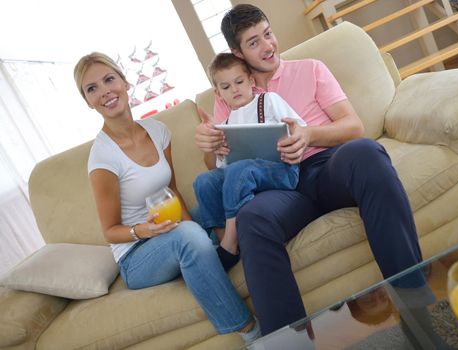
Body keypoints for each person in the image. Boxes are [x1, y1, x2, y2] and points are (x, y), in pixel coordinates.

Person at [194, 4, 424, 336]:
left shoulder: (311, 69)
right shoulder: (233, 90)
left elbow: (353, 126)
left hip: (325, 166)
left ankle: (417, 306)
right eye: (254, 42)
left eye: (268, 34)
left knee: (367, 152)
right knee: (251, 218)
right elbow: (219, 165)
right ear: (237, 52)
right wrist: (210, 145)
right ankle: (290, 344)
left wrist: (308, 134)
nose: (268, 45)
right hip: (277, 188)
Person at [74, 52, 260, 343]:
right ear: (87, 102)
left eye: (109, 79)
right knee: (188, 236)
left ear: (124, 82)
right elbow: (110, 231)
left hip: (169, 226)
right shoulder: (102, 159)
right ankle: (250, 332)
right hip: (136, 255)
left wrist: (194, 228)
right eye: (92, 88)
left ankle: (222, 260)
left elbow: (172, 191)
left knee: (221, 209)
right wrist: (147, 230)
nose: (104, 91)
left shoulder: (158, 131)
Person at [193, 53, 306, 270]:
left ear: (251, 81)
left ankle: (229, 244)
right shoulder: (225, 124)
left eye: (239, 82)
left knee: (240, 169)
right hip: (244, 176)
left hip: (282, 171)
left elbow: (300, 128)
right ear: (218, 93)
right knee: (204, 181)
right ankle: (224, 236)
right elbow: (222, 169)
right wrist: (220, 151)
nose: (234, 90)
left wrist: (291, 135)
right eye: (226, 87)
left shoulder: (269, 100)